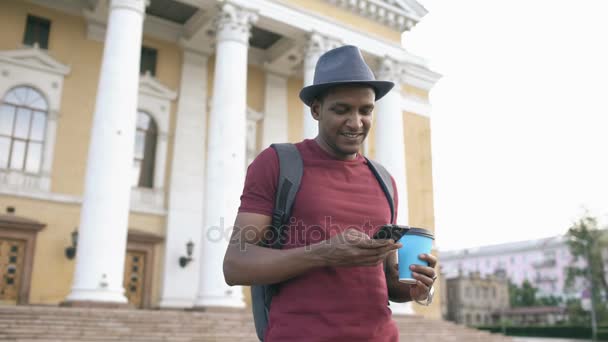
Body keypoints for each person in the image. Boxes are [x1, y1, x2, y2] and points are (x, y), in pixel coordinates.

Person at [223, 45, 438, 341]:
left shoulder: (384, 180)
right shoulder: (277, 163)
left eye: (365, 110)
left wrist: (416, 287)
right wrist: (323, 253)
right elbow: (236, 265)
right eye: (341, 110)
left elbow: (386, 281)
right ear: (316, 109)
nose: (355, 122)